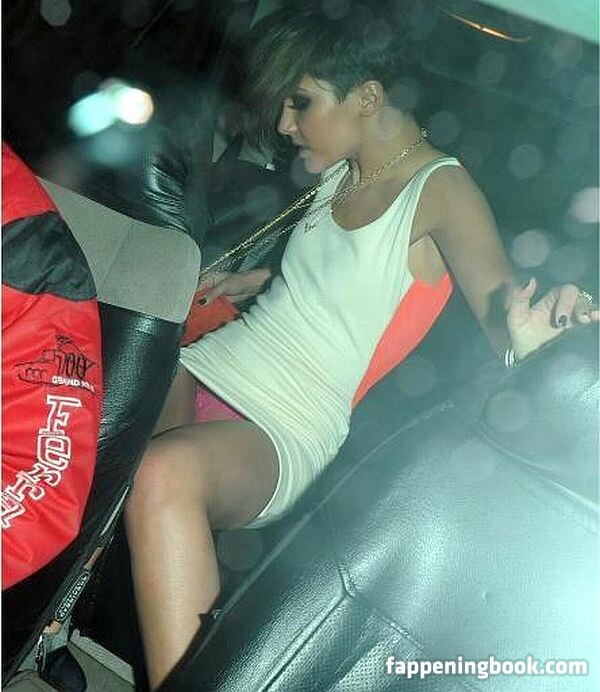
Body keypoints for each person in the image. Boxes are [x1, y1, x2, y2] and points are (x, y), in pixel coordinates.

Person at [123, 4, 598, 688]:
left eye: (301, 102)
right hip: (206, 364)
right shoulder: (338, 171)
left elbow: (506, 319)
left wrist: (538, 339)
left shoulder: (442, 190)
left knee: (161, 475)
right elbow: (340, 287)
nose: (285, 125)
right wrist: (255, 280)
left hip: (282, 424)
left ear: (368, 97)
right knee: (104, 374)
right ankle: (48, 624)